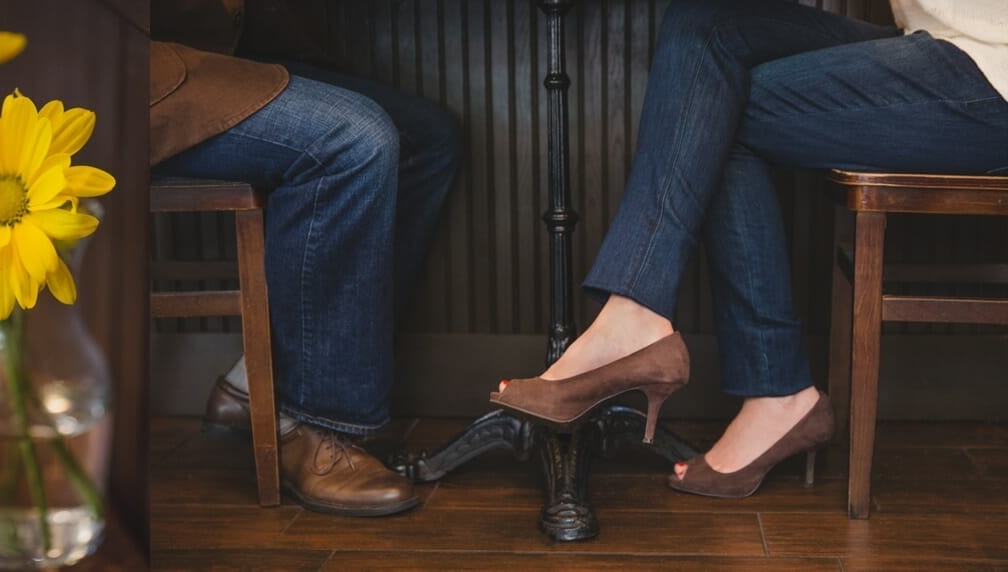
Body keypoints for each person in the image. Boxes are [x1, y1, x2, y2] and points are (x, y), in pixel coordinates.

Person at [492, 0, 1007, 498]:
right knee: (705, 23)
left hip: (991, 71)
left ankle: (757, 381)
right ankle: (674, 335)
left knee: (713, 106)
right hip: (943, 41)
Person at [150, 0, 460, 515]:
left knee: (425, 139)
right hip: (122, 68)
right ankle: (308, 421)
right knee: (353, 140)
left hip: (209, 50)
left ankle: (259, 380)